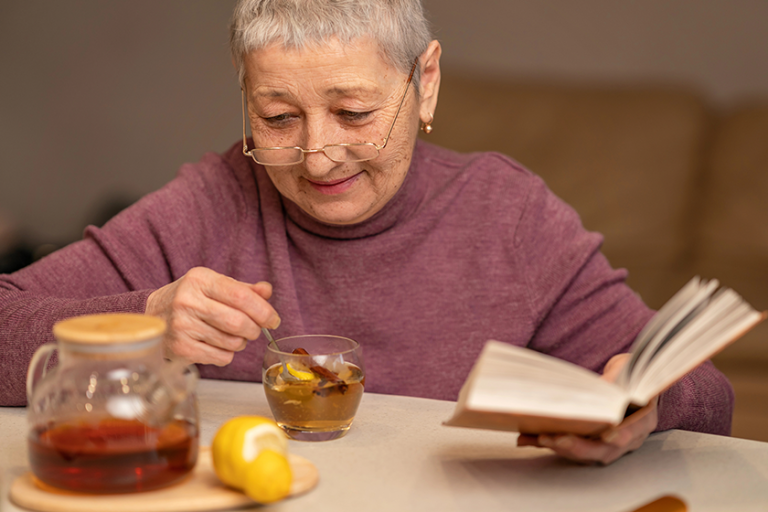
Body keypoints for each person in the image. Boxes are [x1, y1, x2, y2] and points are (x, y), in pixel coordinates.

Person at [0, 0, 733, 465]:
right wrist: (145, 321)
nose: (317, 155)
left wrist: (643, 409)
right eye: (278, 117)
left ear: (427, 84)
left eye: (353, 113)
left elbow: (707, 392)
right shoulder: (209, 200)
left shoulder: (509, 215)